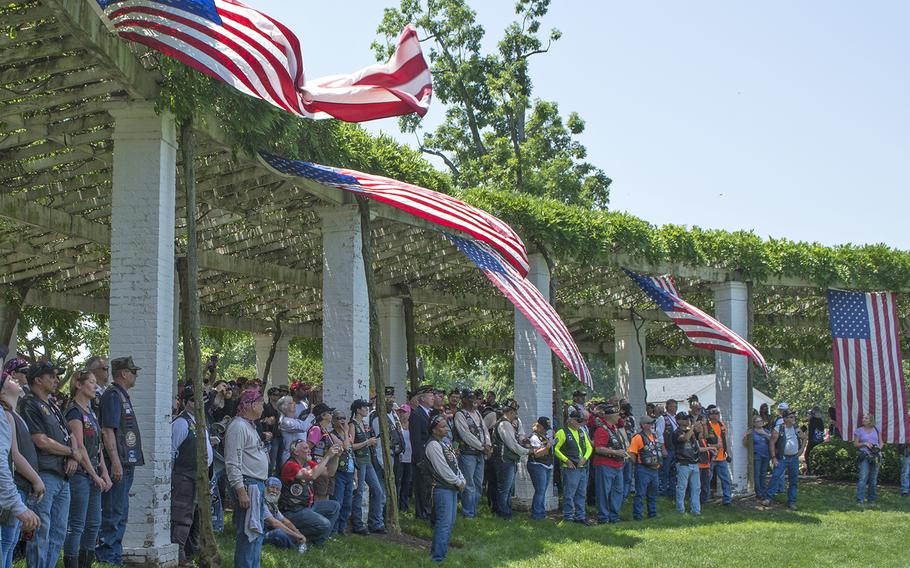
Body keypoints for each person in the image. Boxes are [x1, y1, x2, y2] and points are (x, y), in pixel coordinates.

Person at [21, 362, 76, 568]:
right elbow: (41, 441)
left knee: (59, 531)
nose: (56, 380)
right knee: (40, 530)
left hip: (62, 475)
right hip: (44, 474)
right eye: (51, 376)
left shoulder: (52, 403)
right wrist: (72, 452)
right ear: (38, 379)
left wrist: (72, 456)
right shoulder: (29, 403)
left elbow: (69, 434)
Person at [97, 356, 144, 566]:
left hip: (126, 462)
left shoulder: (121, 395)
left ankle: (114, 557)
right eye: (133, 371)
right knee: (113, 513)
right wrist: (115, 462)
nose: (136, 375)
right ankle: (107, 559)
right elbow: (108, 431)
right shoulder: (112, 396)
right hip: (118, 463)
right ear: (123, 373)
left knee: (121, 512)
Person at [64, 371, 112, 568]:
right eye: (91, 382)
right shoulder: (74, 412)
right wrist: (94, 475)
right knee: (77, 524)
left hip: (94, 476)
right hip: (81, 476)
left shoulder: (91, 412)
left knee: (94, 524)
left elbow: (98, 446)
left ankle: (86, 563)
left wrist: (105, 473)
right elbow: (80, 447)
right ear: (79, 385)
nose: (95, 386)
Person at [0, 368, 41, 568]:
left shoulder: (11, 414)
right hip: (12, 487)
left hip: (14, 489)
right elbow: (9, 458)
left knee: (8, 542)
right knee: (6, 542)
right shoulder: (6, 415)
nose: (12, 378)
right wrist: (36, 479)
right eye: (8, 377)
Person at [225, 389, 270, 568]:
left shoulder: (249, 425)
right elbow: (232, 462)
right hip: (248, 484)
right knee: (248, 533)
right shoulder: (238, 427)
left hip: (256, 484)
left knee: (255, 533)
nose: (263, 406)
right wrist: (241, 491)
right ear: (250, 405)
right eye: (260, 403)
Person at [170, 386, 213, 568]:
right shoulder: (181, 423)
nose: (198, 404)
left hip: (198, 477)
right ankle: (178, 555)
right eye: (194, 401)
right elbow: (171, 451)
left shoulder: (198, 421)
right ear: (187, 402)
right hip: (184, 477)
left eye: (200, 400)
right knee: (182, 515)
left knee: (196, 517)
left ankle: (191, 552)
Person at [279, 439, 342, 545]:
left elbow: (329, 472)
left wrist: (336, 456)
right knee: (325, 524)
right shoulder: (291, 465)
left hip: (306, 506)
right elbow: (312, 475)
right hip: (293, 511)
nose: (309, 450)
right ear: (296, 452)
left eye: (308, 448)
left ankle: (319, 542)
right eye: (305, 448)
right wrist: (327, 456)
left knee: (334, 506)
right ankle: (294, 536)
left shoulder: (307, 463)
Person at [425, 413, 465, 562]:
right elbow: (442, 469)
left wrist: (462, 478)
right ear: (434, 430)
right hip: (442, 488)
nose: (447, 429)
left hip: (451, 486)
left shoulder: (445, 442)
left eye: (446, 426)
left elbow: (454, 464)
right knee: (444, 523)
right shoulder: (433, 445)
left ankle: (440, 554)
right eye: (442, 427)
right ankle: (437, 558)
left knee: (450, 522)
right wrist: (457, 482)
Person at [350, 399, 386, 534]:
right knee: (358, 493)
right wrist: (367, 442)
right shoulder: (352, 424)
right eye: (364, 407)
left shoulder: (364, 424)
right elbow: (351, 445)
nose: (367, 409)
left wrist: (372, 442)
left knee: (377, 490)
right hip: (359, 461)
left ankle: (375, 522)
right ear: (358, 410)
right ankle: (357, 524)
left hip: (368, 460)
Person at [453, 390, 491, 519]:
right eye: (470, 398)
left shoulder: (478, 413)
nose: (474, 400)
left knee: (478, 484)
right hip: (468, 454)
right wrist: (482, 446)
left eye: (475, 397)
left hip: (480, 453)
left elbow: (484, 430)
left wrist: (488, 445)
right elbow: (465, 434)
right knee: (469, 485)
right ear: (463, 400)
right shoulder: (460, 414)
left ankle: (473, 511)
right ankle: (468, 514)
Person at [490, 399, 529, 519]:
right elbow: (512, 445)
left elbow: (519, 436)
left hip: (509, 459)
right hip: (504, 460)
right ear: (511, 412)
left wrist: (524, 440)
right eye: (514, 412)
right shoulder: (504, 424)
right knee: (504, 489)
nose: (516, 415)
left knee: (508, 489)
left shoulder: (509, 422)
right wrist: (528, 451)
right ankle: (504, 514)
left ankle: (506, 512)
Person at [554, 405, 592, 524]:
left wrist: (585, 458)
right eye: (577, 421)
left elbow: (589, 447)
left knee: (581, 493)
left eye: (581, 421)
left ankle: (580, 516)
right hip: (570, 468)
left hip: (582, 466)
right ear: (570, 420)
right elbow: (555, 449)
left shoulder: (581, 432)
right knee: (569, 493)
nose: (579, 424)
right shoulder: (562, 432)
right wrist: (566, 460)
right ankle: (568, 515)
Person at [763, 410, 806, 509]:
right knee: (775, 477)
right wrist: (773, 457)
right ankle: (768, 498)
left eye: (793, 417)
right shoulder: (779, 429)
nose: (793, 419)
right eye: (790, 417)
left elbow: (804, 438)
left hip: (794, 458)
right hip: (782, 458)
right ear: (785, 419)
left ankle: (792, 501)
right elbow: (772, 443)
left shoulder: (796, 428)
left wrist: (801, 449)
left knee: (793, 480)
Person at [591, 404, 626, 524]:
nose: (619, 417)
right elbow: (598, 448)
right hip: (605, 464)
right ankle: (603, 517)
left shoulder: (614, 428)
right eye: (617, 415)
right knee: (604, 492)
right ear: (610, 416)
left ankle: (614, 516)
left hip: (617, 465)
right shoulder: (601, 429)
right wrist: (616, 452)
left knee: (618, 491)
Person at [408, 387, 434, 520]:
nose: (433, 398)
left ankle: (428, 510)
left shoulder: (430, 413)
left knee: (429, 486)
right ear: (422, 398)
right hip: (422, 456)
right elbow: (416, 439)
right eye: (430, 396)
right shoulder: (416, 414)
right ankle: (421, 512)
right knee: (421, 486)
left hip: (430, 456)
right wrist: (419, 459)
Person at [628, 415, 661, 520]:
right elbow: (632, 453)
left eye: (651, 423)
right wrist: (638, 464)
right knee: (640, 493)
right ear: (643, 425)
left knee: (652, 493)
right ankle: (638, 515)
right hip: (643, 469)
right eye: (649, 423)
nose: (651, 425)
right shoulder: (638, 437)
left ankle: (653, 513)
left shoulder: (654, 436)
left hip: (654, 468)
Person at [261, 478, 307, 552]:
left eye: (277, 489)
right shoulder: (261, 502)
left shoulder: (272, 504)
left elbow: (284, 521)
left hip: (268, 531)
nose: (274, 491)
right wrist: (295, 535)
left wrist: (298, 533)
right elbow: (274, 523)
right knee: (279, 532)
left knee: (287, 531)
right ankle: (295, 550)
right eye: (272, 487)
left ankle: (300, 544)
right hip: (259, 535)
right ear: (265, 487)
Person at [307, 403, 340, 501]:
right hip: (318, 468)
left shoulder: (324, 430)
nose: (332, 415)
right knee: (319, 496)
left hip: (326, 469)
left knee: (326, 496)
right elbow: (308, 448)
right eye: (330, 413)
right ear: (323, 415)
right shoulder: (316, 429)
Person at [672, 412, 701, 515]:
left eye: (687, 418)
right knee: (681, 488)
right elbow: (685, 438)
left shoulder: (691, 431)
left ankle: (696, 510)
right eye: (684, 419)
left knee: (696, 488)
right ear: (678, 421)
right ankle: (680, 510)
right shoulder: (676, 432)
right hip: (683, 463)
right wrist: (692, 427)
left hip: (694, 462)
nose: (687, 420)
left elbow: (701, 439)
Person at [526, 417, 554, 520]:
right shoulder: (534, 437)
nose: (546, 430)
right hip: (537, 465)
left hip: (546, 465)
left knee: (542, 491)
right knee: (540, 490)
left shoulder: (545, 435)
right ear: (539, 426)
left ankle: (540, 512)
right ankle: (537, 514)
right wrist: (547, 447)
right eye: (544, 428)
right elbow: (536, 454)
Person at [853, 413, 883, 505]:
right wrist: (865, 443)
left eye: (866, 418)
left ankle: (872, 500)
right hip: (865, 456)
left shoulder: (877, 430)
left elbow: (881, 442)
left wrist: (878, 449)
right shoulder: (859, 431)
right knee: (863, 478)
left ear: (870, 420)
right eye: (863, 418)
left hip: (876, 456)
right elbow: (855, 444)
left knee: (873, 479)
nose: (863, 419)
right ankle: (860, 499)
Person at [705, 406, 732, 505]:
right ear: (710, 415)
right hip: (710, 457)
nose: (716, 415)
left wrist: (726, 453)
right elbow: (704, 442)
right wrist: (714, 446)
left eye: (717, 413)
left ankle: (727, 499)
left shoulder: (721, 425)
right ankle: (705, 498)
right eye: (713, 413)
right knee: (708, 478)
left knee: (725, 479)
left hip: (721, 457)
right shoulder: (707, 426)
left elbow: (724, 441)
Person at [743, 415, 771, 499]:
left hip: (766, 455)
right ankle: (758, 492)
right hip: (757, 455)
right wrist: (746, 435)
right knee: (757, 473)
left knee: (763, 474)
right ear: (754, 423)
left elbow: (772, 440)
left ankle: (763, 490)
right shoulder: (752, 432)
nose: (760, 422)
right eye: (758, 421)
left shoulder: (766, 430)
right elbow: (745, 444)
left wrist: (765, 434)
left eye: (761, 420)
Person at [395, 404, 414, 511]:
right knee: (398, 481)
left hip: (410, 458)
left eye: (404, 412)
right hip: (400, 458)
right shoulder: (397, 425)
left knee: (407, 482)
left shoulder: (412, 425)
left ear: (409, 413)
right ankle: (396, 504)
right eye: (400, 412)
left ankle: (404, 505)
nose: (402, 414)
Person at [659, 399, 678, 497]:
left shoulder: (676, 418)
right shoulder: (662, 418)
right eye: (671, 406)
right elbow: (659, 434)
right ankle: (663, 491)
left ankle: (672, 491)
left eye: (675, 406)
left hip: (675, 448)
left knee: (673, 471)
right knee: (665, 471)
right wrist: (663, 448)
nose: (674, 408)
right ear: (667, 407)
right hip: (667, 448)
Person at [806, 407, 825, 473]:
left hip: (813, 441)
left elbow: (810, 432)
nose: (807, 415)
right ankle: (816, 470)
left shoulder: (813, 421)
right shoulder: (820, 420)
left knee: (807, 455)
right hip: (819, 441)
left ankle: (810, 470)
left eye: (808, 414)